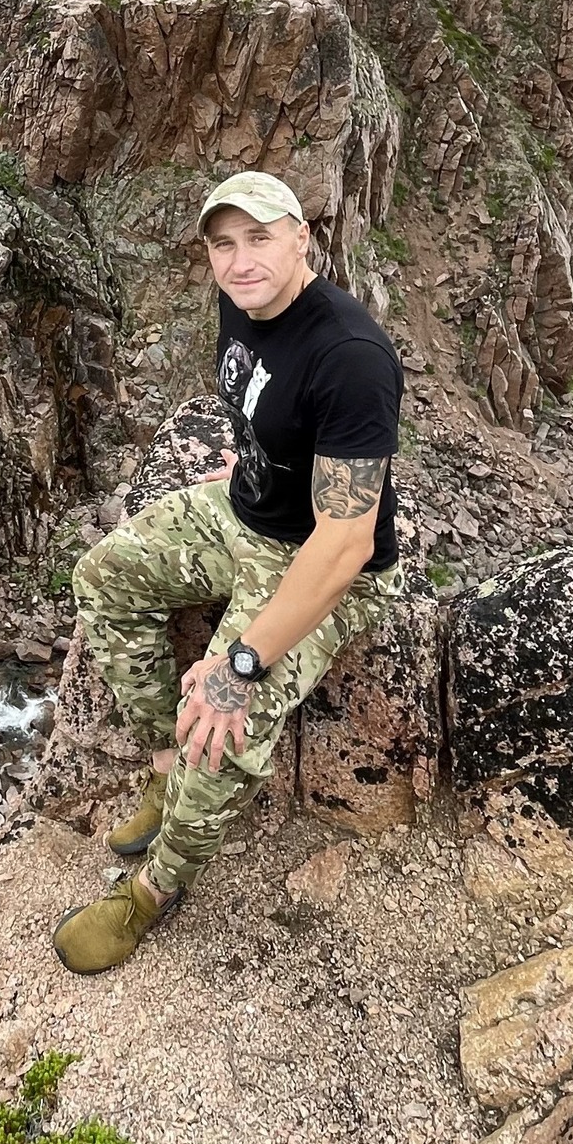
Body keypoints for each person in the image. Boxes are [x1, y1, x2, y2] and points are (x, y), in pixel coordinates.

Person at [53, 170, 405, 974]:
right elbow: (257, 399)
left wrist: (242, 662)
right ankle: (162, 767)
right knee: (104, 577)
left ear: (300, 238)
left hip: (324, 564)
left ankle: (152, 892)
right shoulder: (242, 300)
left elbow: (344, 545)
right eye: (223, 243)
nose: (240, 259)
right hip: (247, 512)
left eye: (258, 237)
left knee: (223, 725)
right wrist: (254, 461)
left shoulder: (351, 356)